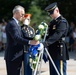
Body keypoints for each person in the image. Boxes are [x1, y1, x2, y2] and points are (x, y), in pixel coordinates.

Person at [4, 5, 39, 75]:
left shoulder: (16, 24)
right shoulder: (12, 24)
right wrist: (30, 42)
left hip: (17, 56)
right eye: (22, 14)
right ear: (16, 13)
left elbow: (23, 36)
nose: (23, 16)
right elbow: (16, 38)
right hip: (13, 56)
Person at [44, 2, 69, 75]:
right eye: (50, 13)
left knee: (59, 72)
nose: (50, 15)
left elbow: (58, 34)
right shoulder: (52, 22)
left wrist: (47, 42)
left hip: (59, 50)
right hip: (52, 50)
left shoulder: (62, 22)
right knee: (53, 72)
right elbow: (49, 34)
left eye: (52, 12)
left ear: (57, 10)